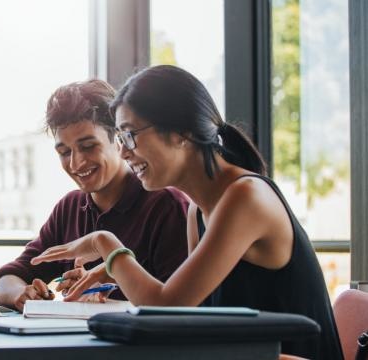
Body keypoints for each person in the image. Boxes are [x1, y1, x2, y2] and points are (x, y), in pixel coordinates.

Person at [31, 65, 342, 359]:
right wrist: (114, 272)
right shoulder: (198, 211)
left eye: (130, 135)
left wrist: (106, 245)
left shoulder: (245, 197)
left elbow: (166, 306)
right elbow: (185, 316)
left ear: (180, 132)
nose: (124, 152)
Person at [0, 79, 189, 312]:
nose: (76, 163)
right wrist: (20, 294)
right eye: (64, 152)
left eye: (87, 146)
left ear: (119, 139)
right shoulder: (70, 207)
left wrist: (110, 282)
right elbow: (8, 280)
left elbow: (177, 306)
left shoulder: (167, 205)